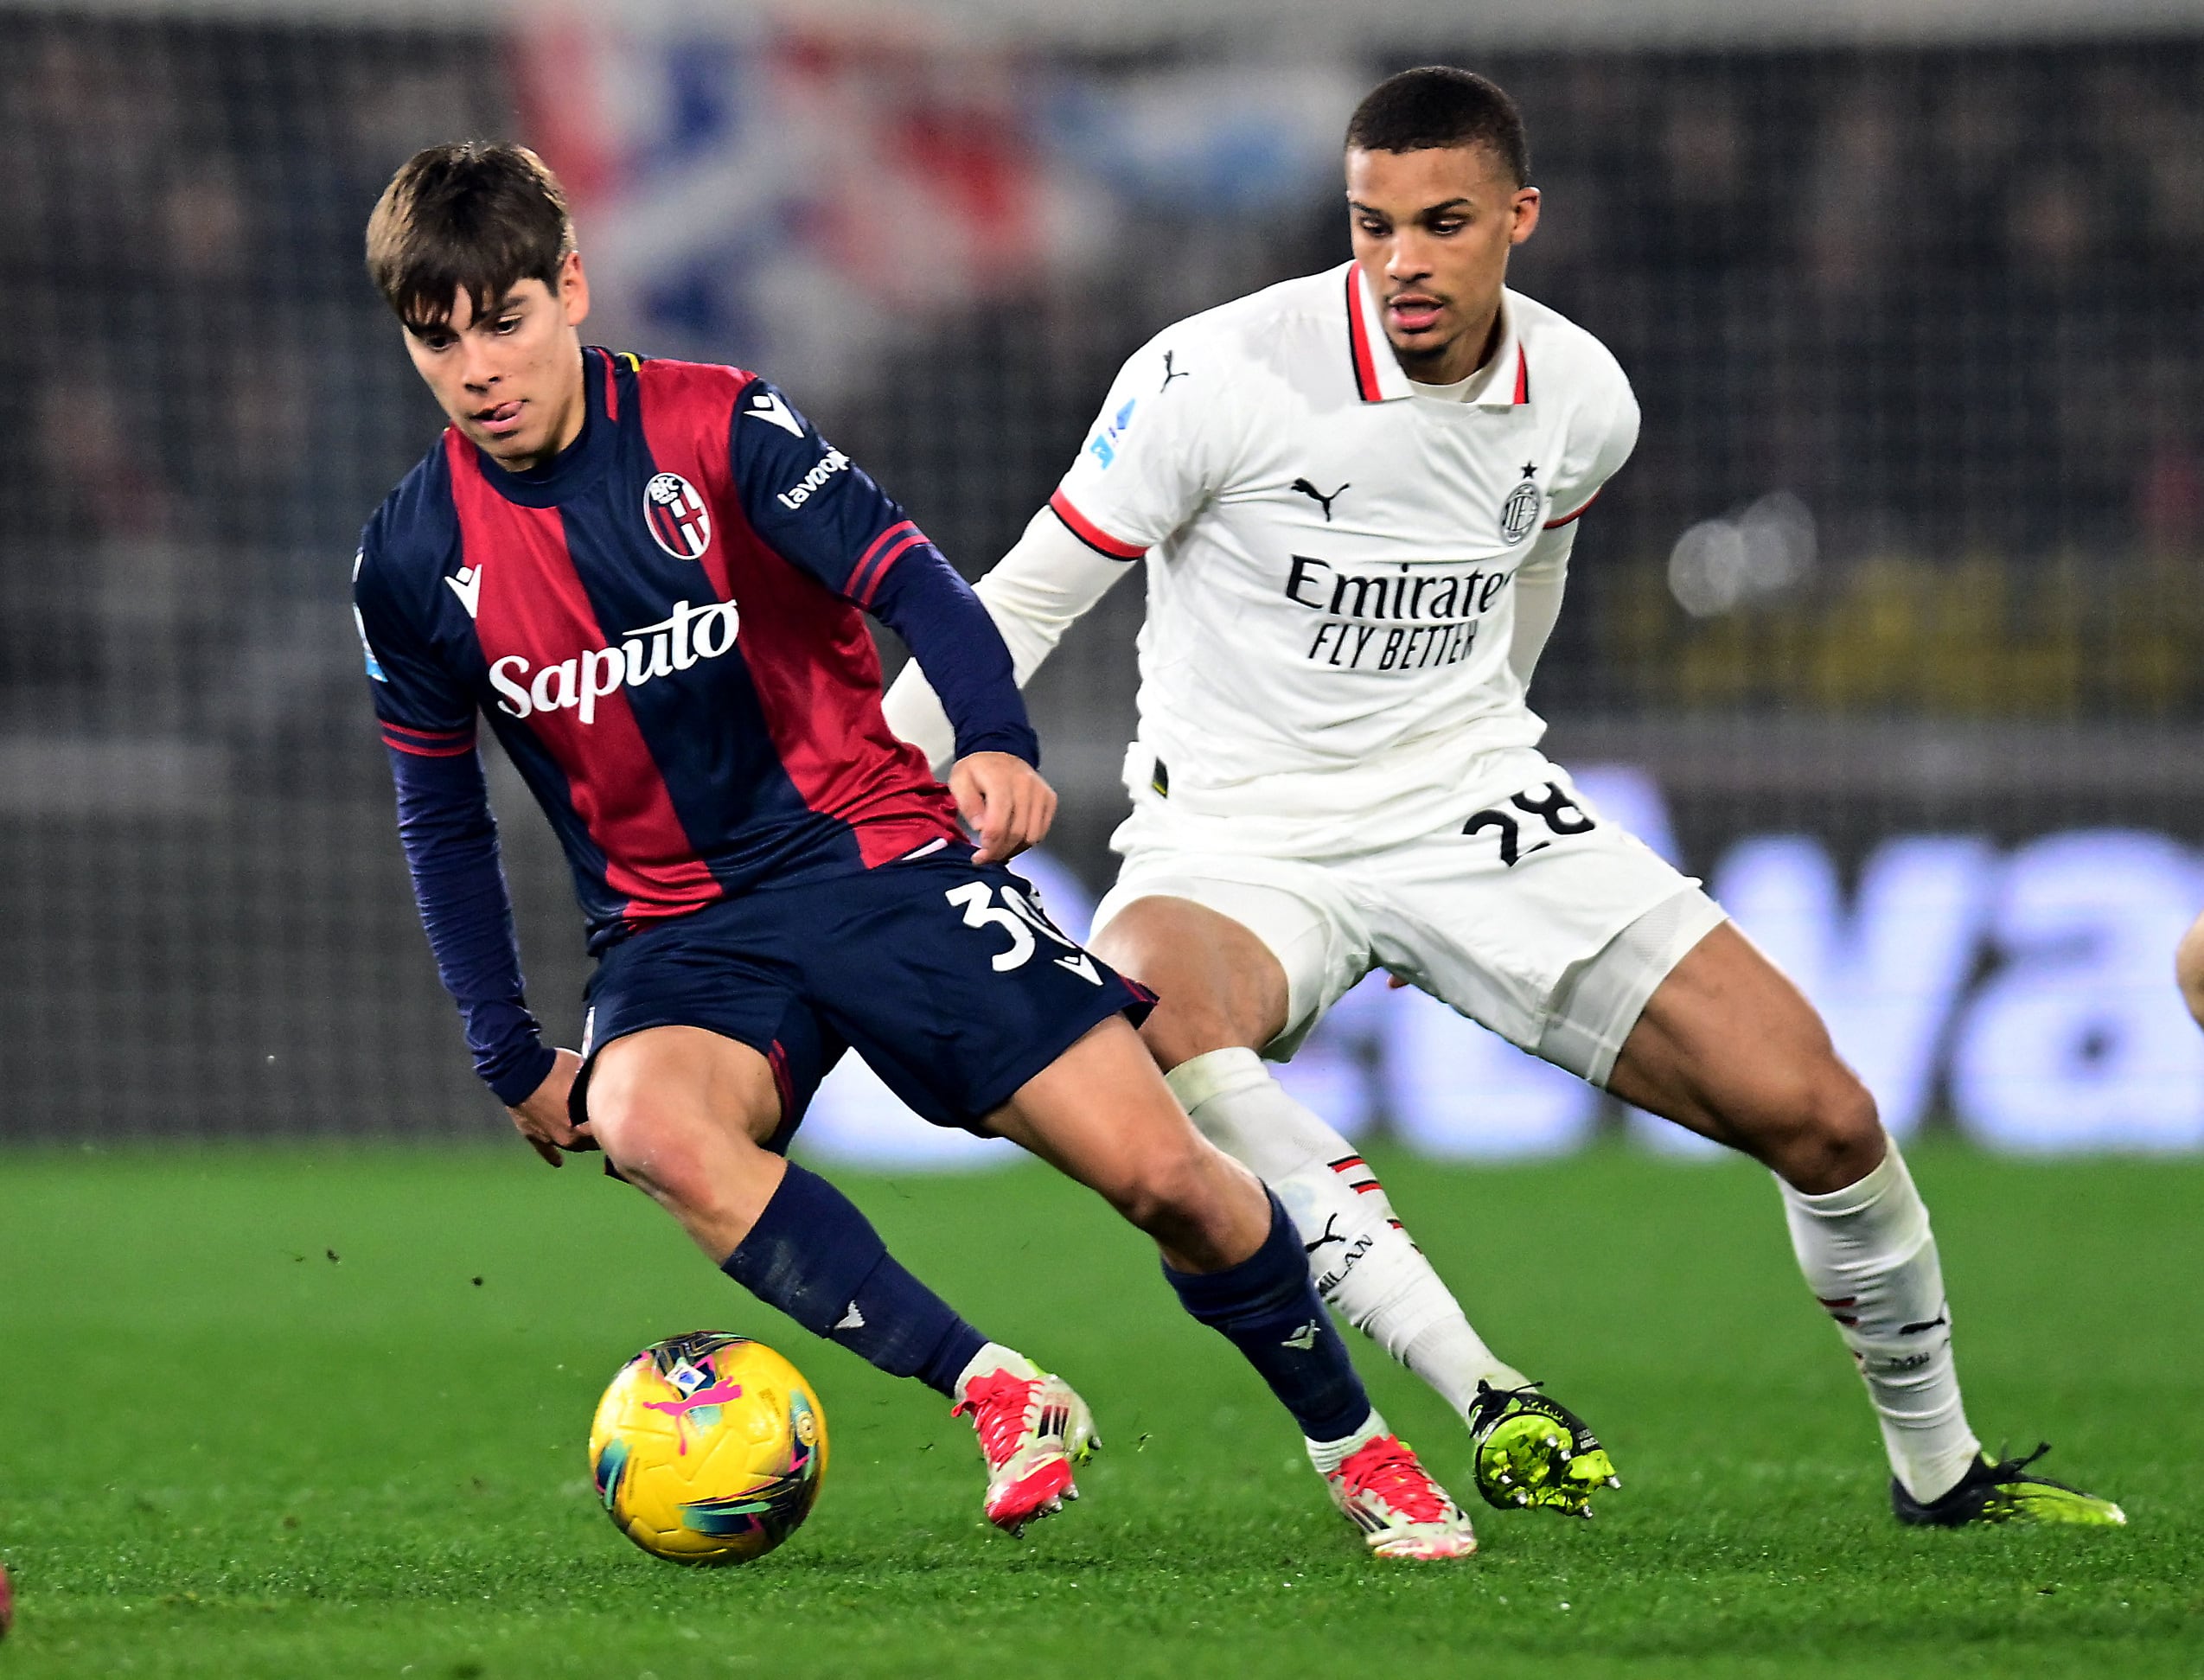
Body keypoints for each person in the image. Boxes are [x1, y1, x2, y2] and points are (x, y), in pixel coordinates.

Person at [885, 67, 2125, 1530]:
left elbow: (1526, 579)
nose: (1402, 259)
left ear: (1517, 220)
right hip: (1235, 832)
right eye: (1372, 225)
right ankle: (1481, 1389)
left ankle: (1942, 1474)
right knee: (1155, 1009)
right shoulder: (1210, 375)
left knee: (1824, 1116)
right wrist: (876, 793)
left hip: (1469, 802)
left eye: (1441, 222)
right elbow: (1021, 598)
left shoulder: (1583, 397)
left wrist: (1486, 786)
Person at [351, 141, 1479, 1559]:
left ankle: (1358, 1446)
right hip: (678, 938)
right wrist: (505, 1048)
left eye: (504, 321)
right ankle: (995, 1388)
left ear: (570, 287)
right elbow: (436, 806)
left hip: (871, 858)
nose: (477, 371)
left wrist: (995, 740)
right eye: (436, 339)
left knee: (1165, 1179)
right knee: (647, 1123)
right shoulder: (407, 558)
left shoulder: (718, 427)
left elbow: (912, 578)